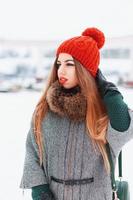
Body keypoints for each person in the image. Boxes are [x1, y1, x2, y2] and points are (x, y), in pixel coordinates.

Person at [19, 27, 133, 200]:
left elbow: (123, 128)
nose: (61, 70)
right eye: (59, 63)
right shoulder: (44, 110)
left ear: (84, 69)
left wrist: (111, 93)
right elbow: (33, 152)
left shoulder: (102, 111)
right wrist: (39, 190)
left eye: (69, 64)